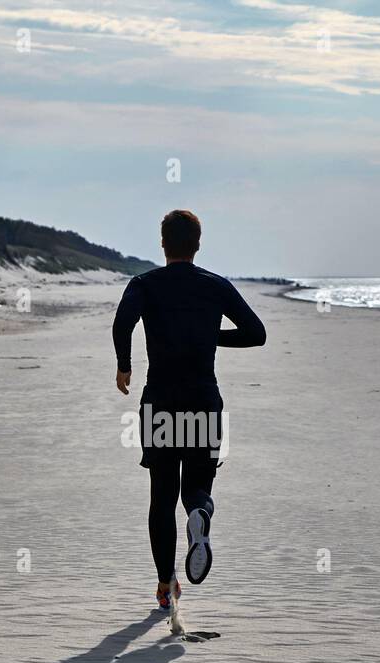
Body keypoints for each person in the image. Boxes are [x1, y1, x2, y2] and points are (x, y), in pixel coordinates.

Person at [112, 209, 266, 613]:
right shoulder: (215, 286)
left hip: (161, 402)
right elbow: (256, 333)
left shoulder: (145, 284)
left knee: (161, 497)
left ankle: (165, 587)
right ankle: (199, 513)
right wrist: (207, 335)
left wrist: (124, 363)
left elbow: (122, 322)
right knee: (197, 487)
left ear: (163, 243)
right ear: (198, 244)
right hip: (203, 401)